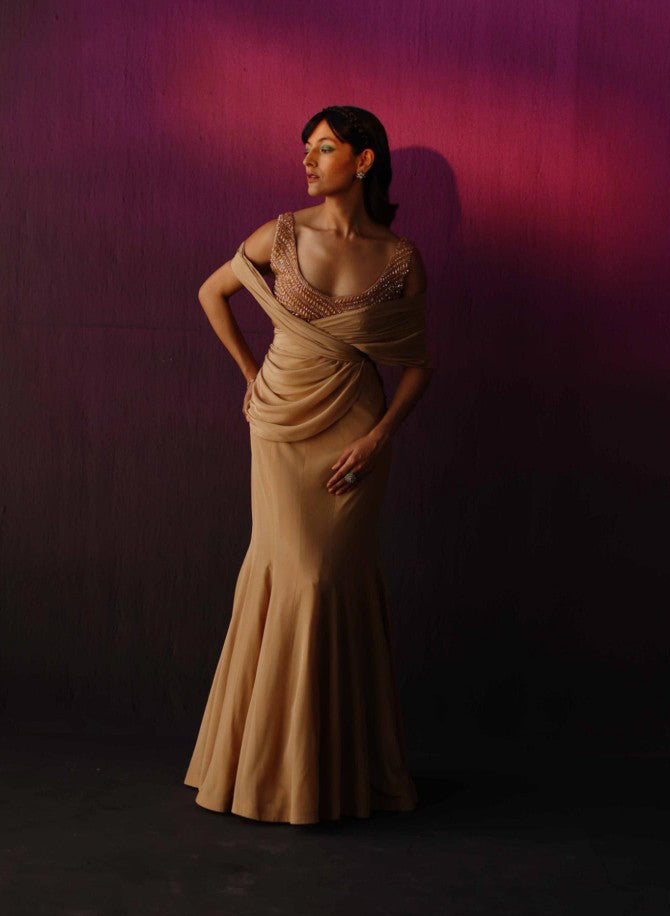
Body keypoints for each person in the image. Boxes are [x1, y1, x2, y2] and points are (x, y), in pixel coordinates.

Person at [183, 106, 434, 824]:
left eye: (324, 148)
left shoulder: (401, 259)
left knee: (334, 579)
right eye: (306, 149)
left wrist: (379, 438)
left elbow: (418, 366)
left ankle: (337, 774)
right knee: (295, 574)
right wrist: (250, 375)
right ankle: (268, 770)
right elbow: (212, 292)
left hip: (356, 427)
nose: (307, 160)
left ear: (363, 160)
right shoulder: (282, 234)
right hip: (280, 423)